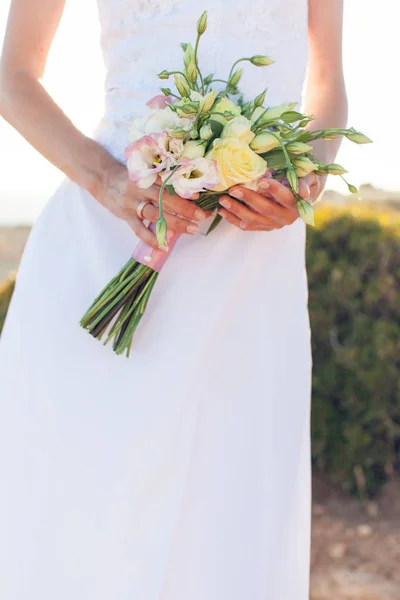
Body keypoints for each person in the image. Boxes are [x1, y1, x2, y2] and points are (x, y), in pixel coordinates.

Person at [0, 0, 347, 598]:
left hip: (252, 260)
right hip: (105, 235)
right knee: (83, 506)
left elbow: (328, 80)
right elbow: (14, 76)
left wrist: (306, 177)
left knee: (227, 517)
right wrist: (107, 181)